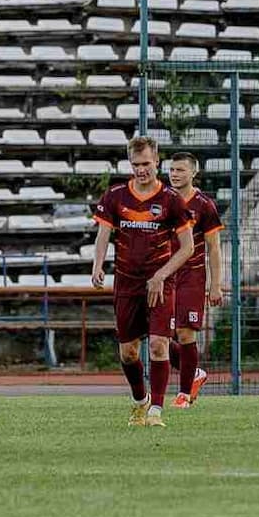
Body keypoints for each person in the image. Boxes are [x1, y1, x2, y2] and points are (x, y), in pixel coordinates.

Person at [91, 135, 196, 428]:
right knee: (128, 352)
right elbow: (103, 235)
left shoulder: (171, 200)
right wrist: (98, 265)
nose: (141, 170)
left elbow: (187, 247)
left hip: (160, 284)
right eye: (136, 164)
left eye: (146, 164)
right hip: (126, 283)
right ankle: (141, 401)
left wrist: (161, 275)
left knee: (159, 346)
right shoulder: (115, 196)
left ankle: (156, 412)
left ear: (157, 161)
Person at [166, 153, 223, 409]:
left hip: (192, 276)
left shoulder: (204, 205)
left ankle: (184, 394)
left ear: (193, 173)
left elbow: (214, 247)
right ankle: (195, 374)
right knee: (156, 335)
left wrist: (215, 284)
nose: (174, 174)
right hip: (165, 275)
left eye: (180, 170)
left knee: (186, 333)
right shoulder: (162, 200)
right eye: (171, 169)